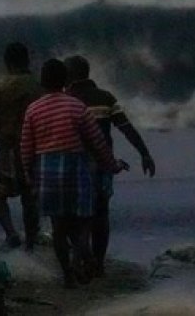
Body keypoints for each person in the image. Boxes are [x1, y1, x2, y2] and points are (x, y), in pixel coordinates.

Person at [20, 58, 128, 288]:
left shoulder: (33, 109)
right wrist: (112, 165)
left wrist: (29, 175)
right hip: (75, 168)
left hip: (47, 170)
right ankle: (81, 253)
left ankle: (68, 275)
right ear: (65, 81)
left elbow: (26, 147)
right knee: (84, 220)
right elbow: (98, 143)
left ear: (42, 82)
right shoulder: (77, 107)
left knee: (58, 226)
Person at [64, 54, 156, 277]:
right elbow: (126, 127)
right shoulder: (105, 97)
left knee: (75, 216)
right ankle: (99, 263)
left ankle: (81, 259)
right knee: (101, 214)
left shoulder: (66, 100)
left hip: (74, 166)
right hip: (103, 163)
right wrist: (144, 153)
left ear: (70, 76)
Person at [0, 42, 42, 250]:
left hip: (7, 147)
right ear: (28, 60)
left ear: (6, 62)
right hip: (35, 149)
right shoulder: (39, 86)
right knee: (30, 198)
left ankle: (11, 233)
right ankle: (31, 241)